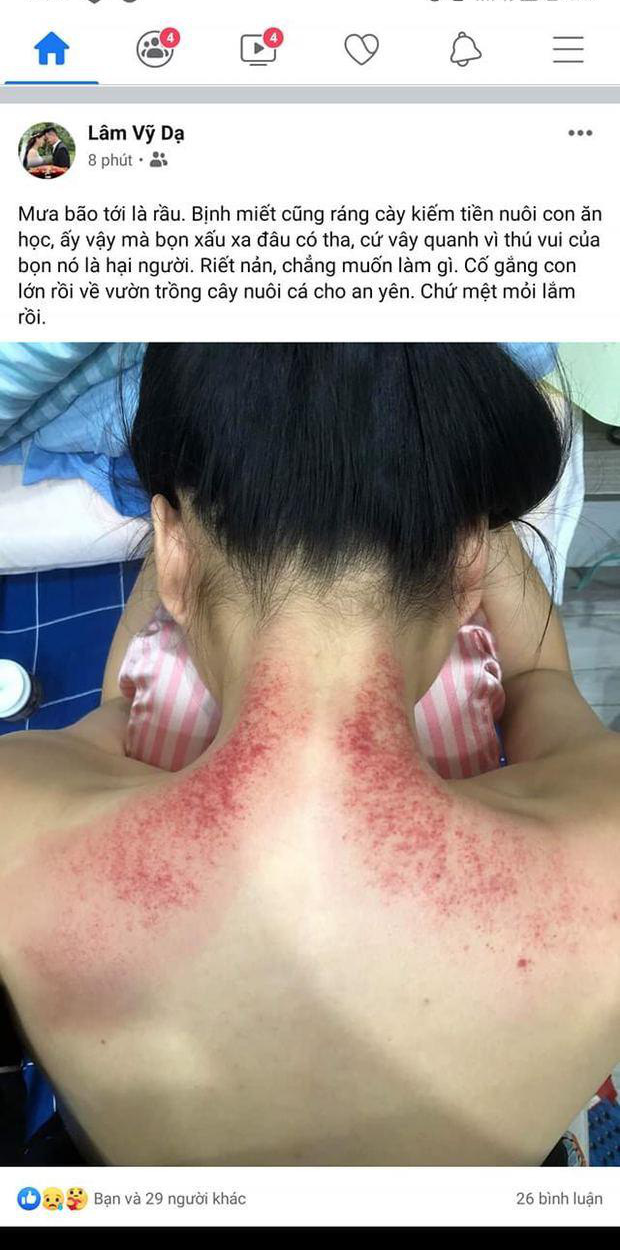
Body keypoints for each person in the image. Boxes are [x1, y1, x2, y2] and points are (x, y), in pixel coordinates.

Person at [0, 343, 618, 1166]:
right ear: (469, 566)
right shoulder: (603, 856)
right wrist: (461, 511)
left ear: (173, 555)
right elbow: (540, 678)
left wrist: (178, 540)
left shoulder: (18, 826)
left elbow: (123, 705)